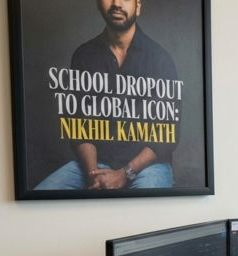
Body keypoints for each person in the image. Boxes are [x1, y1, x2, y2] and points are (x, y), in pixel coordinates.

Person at [35, 0, 179, 190]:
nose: (117, 3)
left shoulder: (160, 59)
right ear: (97, 3)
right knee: (42, 197)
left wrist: (124, 173)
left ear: (138, 6)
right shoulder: (84, 55)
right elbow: (80, 127)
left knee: (142, 210)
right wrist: (93, 174)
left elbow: (167, 134)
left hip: (149, 167)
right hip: (96, 164)